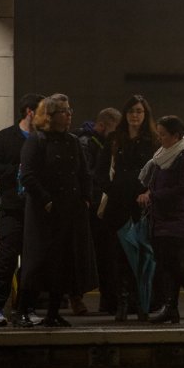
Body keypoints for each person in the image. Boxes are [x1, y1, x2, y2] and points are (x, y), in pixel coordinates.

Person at [16, 94, 93, 328]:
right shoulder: (37, 141)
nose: (69, 115)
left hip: (69, 209)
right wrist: (46, 200)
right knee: (37, 261)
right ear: (50, 116)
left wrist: (86, 199)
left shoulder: (71, 141)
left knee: (63, 261)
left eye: (70, 110)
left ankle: (53, 312)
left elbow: (83, 173)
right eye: (63, 111)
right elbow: (28, 175)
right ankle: (22, 310)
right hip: (44, 212)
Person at [95, 94, 160, 322]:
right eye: (131, 111)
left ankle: (142, 302)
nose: (135, 115)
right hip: (118, 204)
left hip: (142, 204)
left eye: (139, 111)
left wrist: (149, 193)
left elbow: (159, 172)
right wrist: (111, 190)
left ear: (146, 114)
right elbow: (100, 171)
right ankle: (122, 302)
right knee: (120, 255)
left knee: (143, 254)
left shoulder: (153, 140)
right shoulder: (115, 139)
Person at [137, 116, 184, 324]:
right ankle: (172, 308)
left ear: (176, 136)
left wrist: (154, 195)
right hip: (162, 215)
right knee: (167, 263)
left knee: (173, 261)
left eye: (164, 135)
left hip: (178, 216)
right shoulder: (162, 155)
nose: (160, 139)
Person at [0, 93, 44, 327]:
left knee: (33, 262)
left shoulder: (43, 139)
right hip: (12, 208)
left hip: (37, 210)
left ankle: (26, 309)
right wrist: (17, 170)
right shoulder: (6, 137)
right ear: (29, 111)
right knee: (7, 258)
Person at [76, 107, 122, 315]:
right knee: (90, 254)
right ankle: (77, 298)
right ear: (101, 126)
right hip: (91, 208)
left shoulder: (101, 143)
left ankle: (108, 301)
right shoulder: (86, 143)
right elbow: (88, 175)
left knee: (106, 256)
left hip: (101, 207)